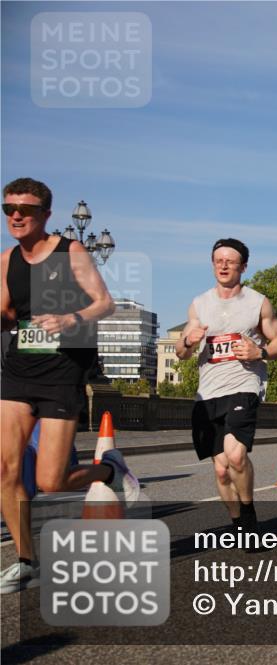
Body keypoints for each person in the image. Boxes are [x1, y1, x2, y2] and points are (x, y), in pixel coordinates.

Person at [1, 177, 138, 594]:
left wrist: (69, 320)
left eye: (25, 210)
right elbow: (6, 312)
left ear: (45, 214)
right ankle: (26, 561)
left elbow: (105, 303)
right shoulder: (6, 259)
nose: (16, 216)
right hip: (17, 370)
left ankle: (108, 470)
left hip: (63, 372)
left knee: (51, 482)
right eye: (8, 210)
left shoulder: (70, 250)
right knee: (5, 470)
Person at [175, 238, 277, 532]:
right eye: (218, 260)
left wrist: (259, 352)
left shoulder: (257, 302)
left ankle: (248, 513)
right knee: (222, 469)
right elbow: (181, 352)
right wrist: (188, 340)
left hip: (244, 385)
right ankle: (238, 522)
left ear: (243, 266)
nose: (223, 265)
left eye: (230, 260)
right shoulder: (199, 304)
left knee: (236, 456)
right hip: (208, 392)